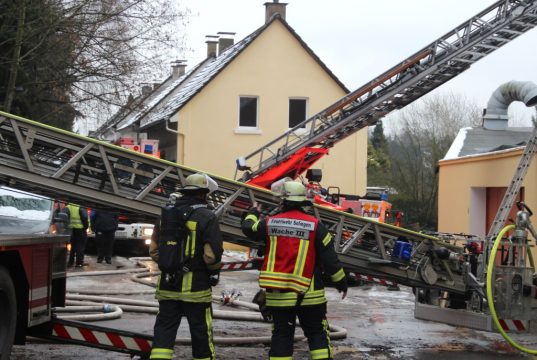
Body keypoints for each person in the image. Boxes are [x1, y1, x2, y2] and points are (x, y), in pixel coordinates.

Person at [241, 180, 348, 360]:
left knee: (282, 336)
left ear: (282, 202)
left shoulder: (269, 223)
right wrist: (341, 283)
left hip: (279, 295)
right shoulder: (316, 226)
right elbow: (331, 261)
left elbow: (248, 228)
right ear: (303, 202)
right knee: (317, 336)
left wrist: (252, 213)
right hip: (310, 295)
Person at [149, 173, 223, 360]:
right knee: (200, 333)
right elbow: (211, 256)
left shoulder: (166, 215)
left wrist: (170, 264)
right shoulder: (207, 217)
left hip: (167, 285)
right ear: (204, 194)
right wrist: (213, 273)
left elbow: (154, 251)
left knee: (164, 331)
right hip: (196, 288)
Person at [65, 203, 89, 267]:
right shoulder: (81, 206)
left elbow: (65, 217)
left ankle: (70, 262)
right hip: (81, 229)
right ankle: (79, 262)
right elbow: (84, 217)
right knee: (80, 247)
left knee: (72, 247)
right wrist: (86, 227)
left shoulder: (68, 206)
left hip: (72, 229)